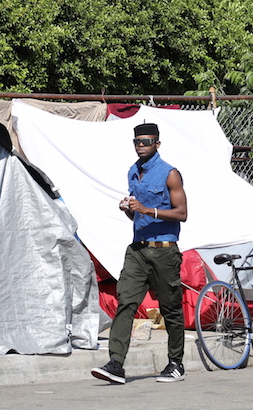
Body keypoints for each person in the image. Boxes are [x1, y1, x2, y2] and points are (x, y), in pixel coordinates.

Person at [91, 122, 188, 385]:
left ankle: (176, 363)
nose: (141, 146)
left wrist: (147, 210)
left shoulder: (170, 173)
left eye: (146, 141)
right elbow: (138, 214)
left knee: (170, 309)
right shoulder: (133, 172)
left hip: (164, 251)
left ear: (157, 143)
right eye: (137, 142)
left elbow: (182, 213)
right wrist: (130, 210)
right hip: (137, 250)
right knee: (125, 303)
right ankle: (116, 364)